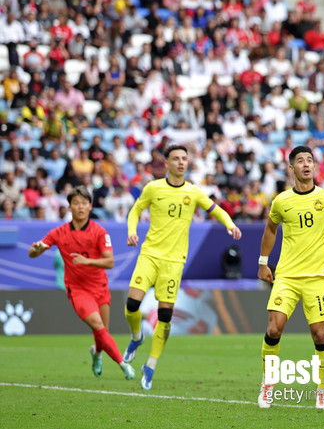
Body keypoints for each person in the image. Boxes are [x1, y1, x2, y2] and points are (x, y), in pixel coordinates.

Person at [123, 144, 242, 390]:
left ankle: (151, 366)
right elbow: (135, 211)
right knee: (132, 305)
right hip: (149, 255)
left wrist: (229, 224)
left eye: (184, 158)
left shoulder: (194, 192)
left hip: (174, 262)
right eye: (175, 158)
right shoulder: (153, 188)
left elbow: (215, 209)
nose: (180, 162)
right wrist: (132, 232)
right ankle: (136, 337)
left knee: (165, 316)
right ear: (165, 163)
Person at [257, 145, 324, 410]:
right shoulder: (282, 201)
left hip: (317, 278)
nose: (306, 164)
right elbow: (271, 228)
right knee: (274, 328)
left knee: (319, 335)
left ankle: (322, 390)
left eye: (310, 160)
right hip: (287, 276)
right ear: (292, 168)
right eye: (300, 161)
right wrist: (262, 262)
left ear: (315, 167)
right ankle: (268, 382)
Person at [28, 186, 135, 380]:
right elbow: (35, 252)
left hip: (100, 287)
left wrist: (88, 261)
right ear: (69, 207)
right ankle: (123, 364)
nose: (80, 207)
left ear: (90, 206)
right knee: (97, 324)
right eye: (76, 203)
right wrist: (35, 249)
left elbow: (110, 262)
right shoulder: (59, 232)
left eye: (83, 203)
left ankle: (97, 354)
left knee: (103, 332)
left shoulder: (100, 232)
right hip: (77, 289)